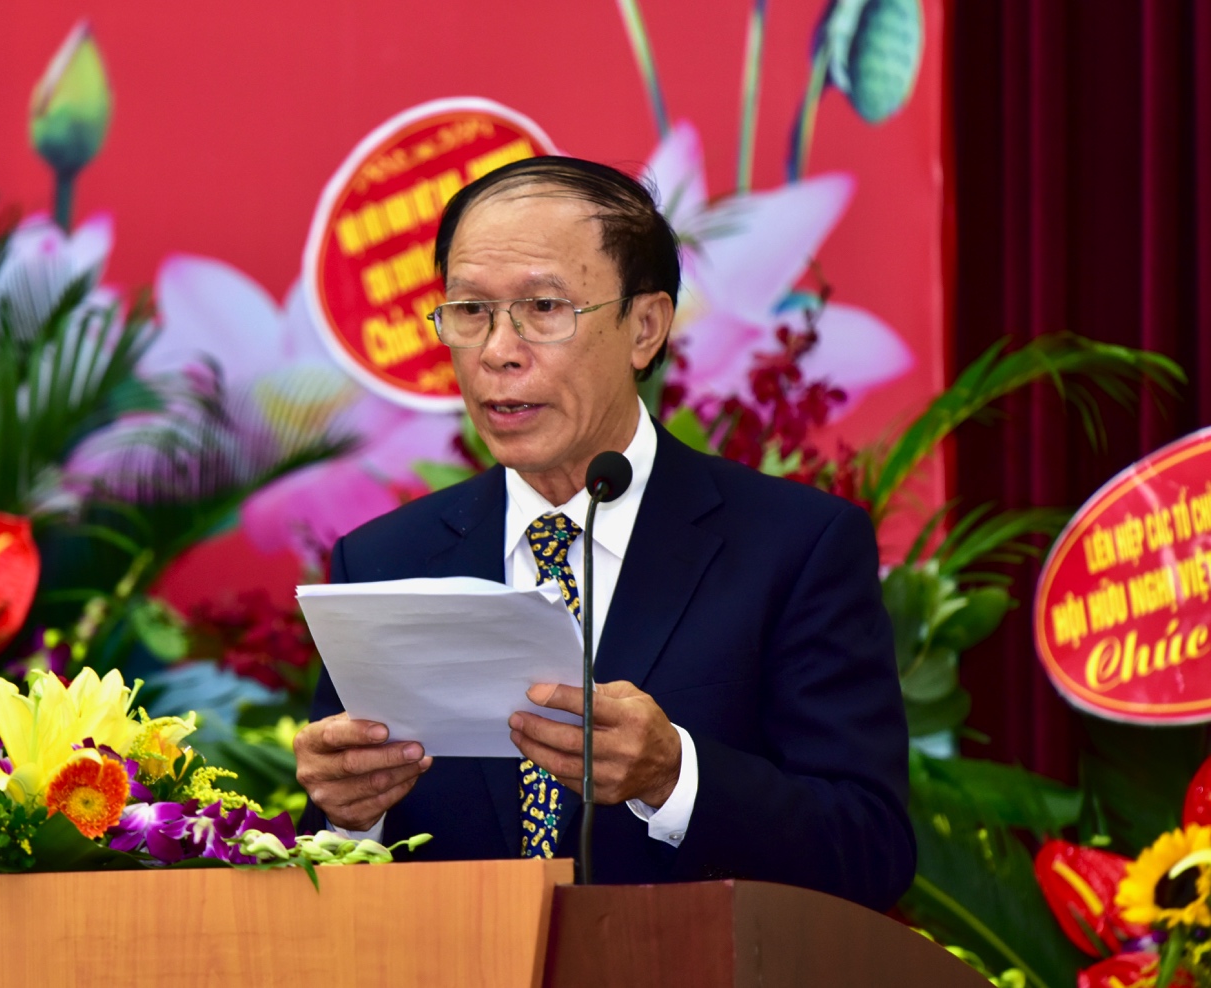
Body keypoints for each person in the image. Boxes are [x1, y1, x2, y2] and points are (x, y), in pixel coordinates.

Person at [293, 155, 914, 911]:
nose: (497, 350)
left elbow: (870, 849)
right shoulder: (383, 562)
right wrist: (348, 817)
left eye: (543, 307)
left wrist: (674, 776)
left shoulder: (794, 548)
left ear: (644, 328)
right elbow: (331, 876)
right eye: (471, 310)